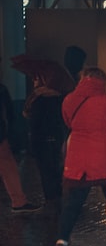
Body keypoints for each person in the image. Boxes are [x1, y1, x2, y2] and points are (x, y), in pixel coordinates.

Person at [53, 66, 106, 246]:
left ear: (83, 79)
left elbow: (68, 122)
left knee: (73, 202)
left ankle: (62, 240)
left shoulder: (69, 100)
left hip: (78, 158)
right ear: (103, 81)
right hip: (105, 159)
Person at [23, 72, 69, 202]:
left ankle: (51, 198)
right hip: (56, 136)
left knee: (45, 170)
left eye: (36, 79)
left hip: (41, 138)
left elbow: (35, 122)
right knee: (55, 167)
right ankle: (58, 194)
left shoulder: (38, 98)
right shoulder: (59, 97)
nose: (34, 82)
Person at [0, 67, 41, 213]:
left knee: (8, 167)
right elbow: (9, 113)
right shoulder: (2, 89)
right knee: (9, 168)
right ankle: (18, 201)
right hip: (1, 136)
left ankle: (19, 200)